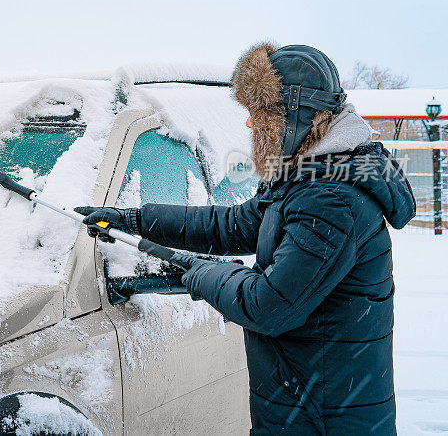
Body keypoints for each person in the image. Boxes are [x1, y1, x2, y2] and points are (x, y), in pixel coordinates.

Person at [76, 43, 415, 435]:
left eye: (261, 115)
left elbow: (267, 306)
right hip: (307, 404)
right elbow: (235, 225)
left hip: (324, 419)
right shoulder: (309, 176)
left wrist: (200, 273)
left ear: (295, 117)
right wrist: (137, 219)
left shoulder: (331, 199)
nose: (252, 126)